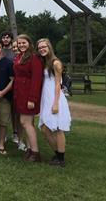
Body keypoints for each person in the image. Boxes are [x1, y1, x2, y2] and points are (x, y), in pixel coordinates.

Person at [37, 38, 71, 167]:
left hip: (55, 98)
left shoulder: (56, 63)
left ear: (49, 47)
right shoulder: (44, 62)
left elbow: (58, 84)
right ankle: (57, 153)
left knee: (57, 128)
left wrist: (55, 103)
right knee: (44, 128)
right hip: (45, 98)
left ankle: (61, 158)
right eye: (40, 48)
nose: (42, 49)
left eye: (44, 47)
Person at [13, 34, 43, 162]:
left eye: (23, 43)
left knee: (26, 123)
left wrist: (32, 98)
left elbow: (36, 80)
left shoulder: (34, 58)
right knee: (26, 123)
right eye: (19, 43)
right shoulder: (20, 57)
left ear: (29, 43)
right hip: (20, 93)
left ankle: (35, 152)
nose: (21, 45)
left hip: (28, 95)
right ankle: (30, 149)